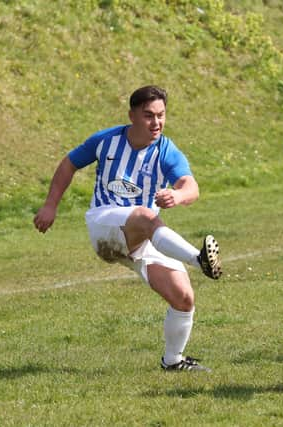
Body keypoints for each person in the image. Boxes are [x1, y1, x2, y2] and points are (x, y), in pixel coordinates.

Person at [33, 85, 222, 372]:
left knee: (184, 298)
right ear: (132, 115)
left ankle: (173, 361)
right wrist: (50, 205)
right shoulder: (106, 140)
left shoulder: (166, 150)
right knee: (146, 215)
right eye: (148, 115)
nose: (156, 122)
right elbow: (69, 164)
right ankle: (199, 260)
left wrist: (179, 195)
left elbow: (190, 186)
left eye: (161, 115)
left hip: (141, 236)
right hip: (104, 223)